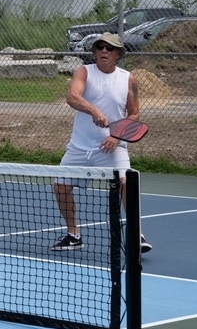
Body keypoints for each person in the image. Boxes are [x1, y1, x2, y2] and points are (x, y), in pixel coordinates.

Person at [51, 33, 151, 253]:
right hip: (80, 147)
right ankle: (73, 235)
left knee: (127, 183)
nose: (104, 51)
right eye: (100, 47)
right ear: (95, 52)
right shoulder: (84, 72)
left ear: (117, 54)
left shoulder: (128, 79)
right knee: (60, 186)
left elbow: (134, 114)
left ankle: (136, 233)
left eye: (109, 48)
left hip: (113, 147)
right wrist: (94, 110)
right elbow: (72, 97)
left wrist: (116, 136)